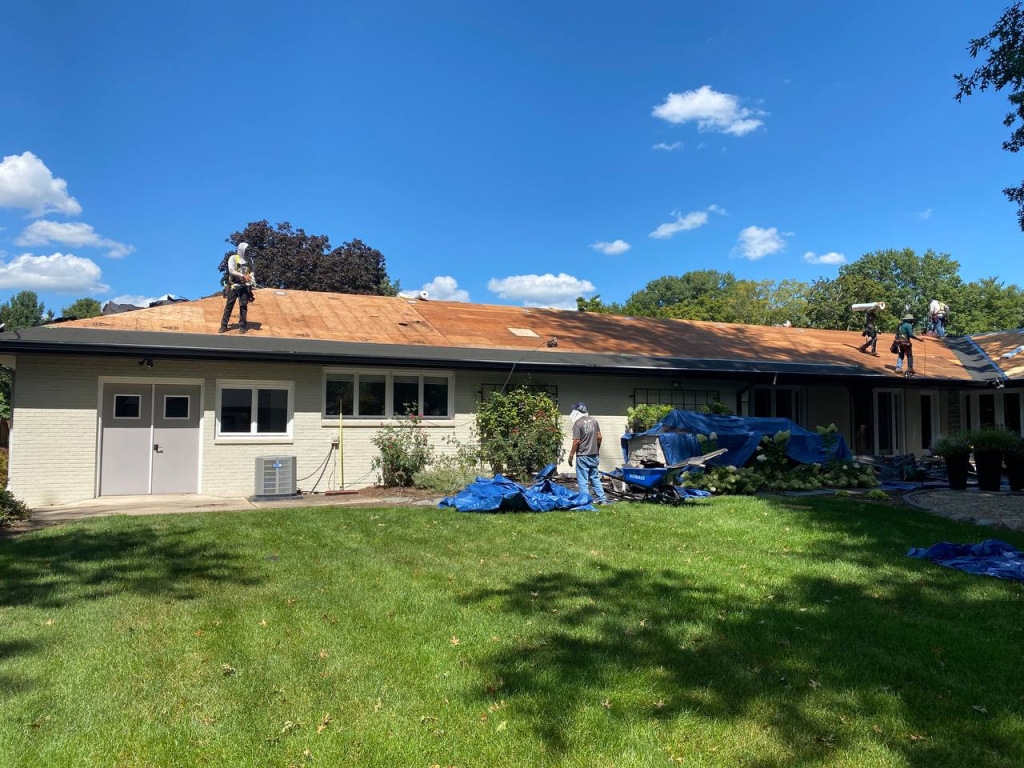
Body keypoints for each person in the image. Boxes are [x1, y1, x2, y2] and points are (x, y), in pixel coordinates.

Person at [567, 402, 606, 505]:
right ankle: (602, 499)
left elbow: (576, 441)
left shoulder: (578, 423)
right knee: (595, 477)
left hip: (582, 455)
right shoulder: (594, 421)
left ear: (577, 411)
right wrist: (597, 450)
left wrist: (571, 456)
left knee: (583, 479)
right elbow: (599, 437)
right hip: (593, 455)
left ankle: (585, 501)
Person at [219, 242, 255, 334]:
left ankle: (242, 325)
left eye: (248, 251)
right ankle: (223, 325)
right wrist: (243, 276)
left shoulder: (249, 260)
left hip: (244, 286)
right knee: (229, 305)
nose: (248, 252)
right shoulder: (233, 258)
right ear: (241, 250)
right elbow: (231, 270)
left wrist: (252, 278)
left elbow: (252, 271)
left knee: (243, 305)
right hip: (234, 285)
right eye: (246, 250)